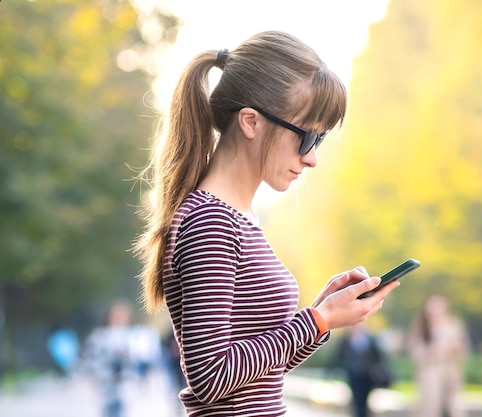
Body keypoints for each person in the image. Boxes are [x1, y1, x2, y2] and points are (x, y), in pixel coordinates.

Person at [132, 31, 400, 417]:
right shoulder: (211, 222)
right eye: (307, 136)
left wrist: (322, 316)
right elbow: (210, 376)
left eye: (319, 141)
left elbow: (257, 373)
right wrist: (318, 319)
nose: (312, 158)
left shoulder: (238, 217)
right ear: (251, 122)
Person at [408, 295, 468, 417]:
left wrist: (454, 348)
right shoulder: (422, 328)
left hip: (450, 370)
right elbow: (415, 351)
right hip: (430, 370)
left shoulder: (453, 325)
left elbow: (463, 348)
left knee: (453, 406)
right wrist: (432, 351)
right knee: (429, 405)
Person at [82, 299, 135, 417]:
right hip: (105, 381)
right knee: (107, 410)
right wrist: (92, 375)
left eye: (122, 315)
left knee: (120, 410)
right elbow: (90, 356)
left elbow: (135, 359)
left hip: (123, 382)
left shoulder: (131, 335)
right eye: (116, 315)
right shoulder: (99, 335)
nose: (119, 318)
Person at [333, 324, 392, 417]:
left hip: (367, 374)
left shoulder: (370, 339)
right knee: (357, 398)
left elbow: (378, 356)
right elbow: (339, 355)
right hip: (353, 374)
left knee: (365, 399)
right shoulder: (347, 339)